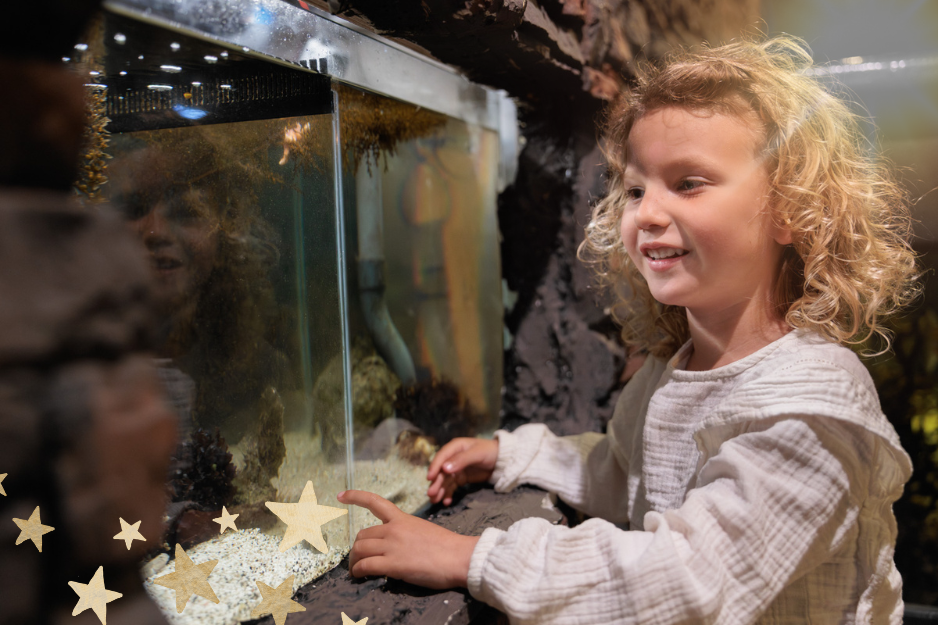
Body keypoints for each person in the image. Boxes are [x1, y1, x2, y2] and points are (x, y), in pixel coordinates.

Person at [337, 34, 921, 623]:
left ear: (791, 209)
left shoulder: (812, 405)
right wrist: (512, 455)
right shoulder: (681, 366)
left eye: (689, 182)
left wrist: (472, 557)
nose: (647, 213)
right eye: (637, 189)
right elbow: (625, 472)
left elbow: (690, 581)